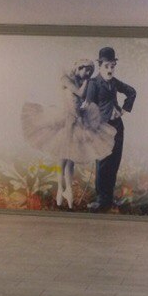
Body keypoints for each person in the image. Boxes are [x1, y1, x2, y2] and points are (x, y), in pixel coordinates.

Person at [21, 59, 116, 208]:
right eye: (86, 70)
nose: (88, 73)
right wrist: (87, 81)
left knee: (71, 156)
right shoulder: (66, 79)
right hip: (65, 119)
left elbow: (83, 99)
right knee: (63, 156)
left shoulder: (82, 81)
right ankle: (60, 188)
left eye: (90, 71)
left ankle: (69, 190)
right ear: (78, 68)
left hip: (77, 118)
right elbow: (80, 93)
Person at [84, 47, 137, 211]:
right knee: (102, 164)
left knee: (114, 163)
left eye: (112, 66)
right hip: (102, 128)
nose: (110, 70)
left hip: (117, 127)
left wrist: (124, 109)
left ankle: (109, 199)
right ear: (100, 66)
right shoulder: (93, 83)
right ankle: (101, 200)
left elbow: (131, 92)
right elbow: (89, 107)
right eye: (106, 66)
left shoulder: (114, 82)